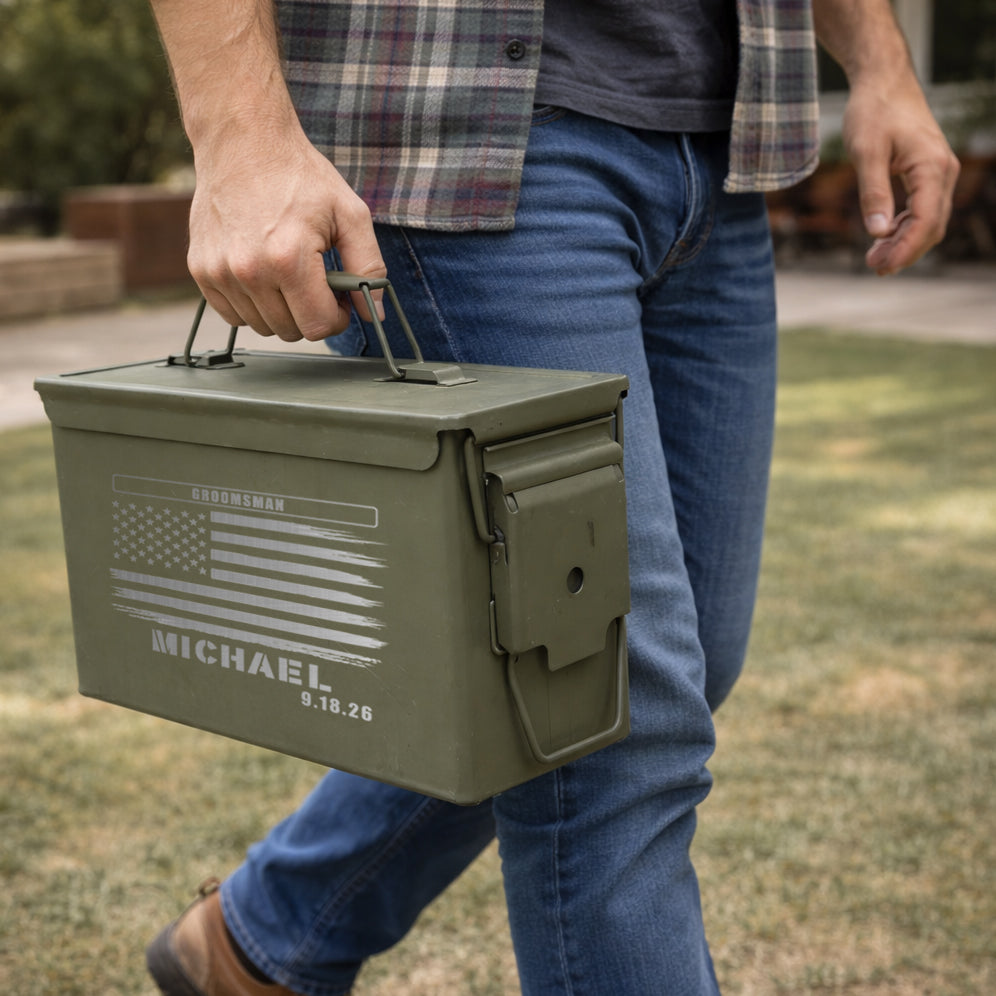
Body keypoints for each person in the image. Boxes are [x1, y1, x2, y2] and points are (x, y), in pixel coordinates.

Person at [143, 1, 958, 994]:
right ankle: (267, 937)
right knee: (612, 715)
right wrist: (239, 133)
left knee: (674, 662)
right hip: (465, 144)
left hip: (715, 144)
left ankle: (266, 935)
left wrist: (880, 61)